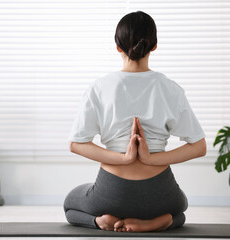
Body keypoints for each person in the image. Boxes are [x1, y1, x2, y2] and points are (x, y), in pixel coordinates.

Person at [63, 11, 207, 233]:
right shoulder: (170, 88)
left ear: (118, 47)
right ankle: (163, 221)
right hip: (160, 194)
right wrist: (150, 159)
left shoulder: (100, 87)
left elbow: (75, 144)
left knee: (70, 204)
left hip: (111, 193)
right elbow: (199, 147)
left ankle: (101, 221)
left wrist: (124, 158)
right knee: (181, 208)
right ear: (154, 45)